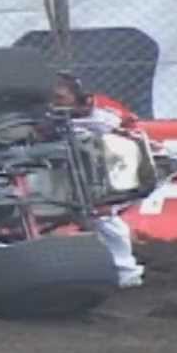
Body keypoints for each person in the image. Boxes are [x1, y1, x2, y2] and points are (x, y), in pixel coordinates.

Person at [52, 73, 145, 289]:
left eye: (59, 98)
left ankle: (126, 272)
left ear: (78, 98)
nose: (53, 104)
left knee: (103, 214)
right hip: (77, 169)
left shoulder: (104, 114)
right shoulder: (47, 114)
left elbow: (130, 143)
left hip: (122, 167)